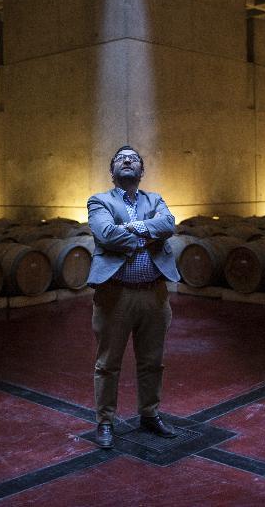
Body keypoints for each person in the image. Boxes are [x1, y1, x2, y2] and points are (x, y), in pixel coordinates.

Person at [86, 145, 180, 449]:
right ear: (112, 170)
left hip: (154, 295)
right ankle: (105, 421)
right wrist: (148, 234)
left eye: (134, 158)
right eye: (121, 158)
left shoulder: (155, 199)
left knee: (152, 361)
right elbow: (106, 234)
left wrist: (134, 226)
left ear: (142, 170)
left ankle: (149, 415)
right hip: (115, 295)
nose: (128, 160)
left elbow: (168, 224)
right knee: (108, 363)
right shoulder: (99, 200)